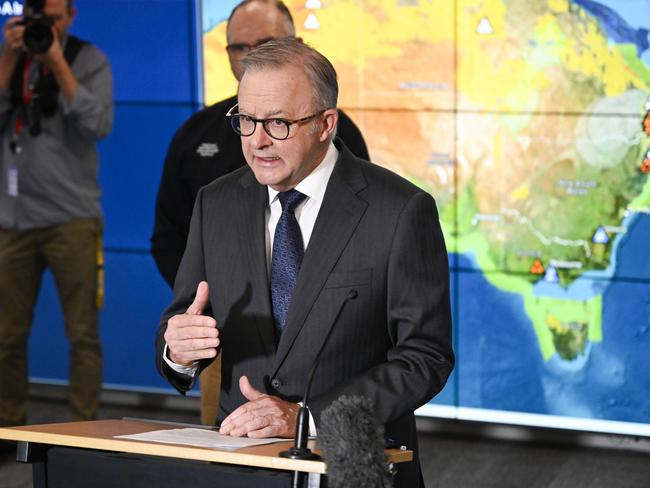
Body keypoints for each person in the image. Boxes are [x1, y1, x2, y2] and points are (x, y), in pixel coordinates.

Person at [156, 38, 453, 487]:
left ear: (325, 124)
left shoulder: (399, 210)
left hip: (355, 466)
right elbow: (181, 321)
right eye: (247, 121)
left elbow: (425, 357)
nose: (257, 140)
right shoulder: (215, 204)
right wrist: (177, 350)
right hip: (243, 464)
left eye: (277, 123)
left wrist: (305, 418)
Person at [151, 0, 369, 288]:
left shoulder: (338, 133)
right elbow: (170, 237)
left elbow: (362, 228)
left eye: (267, 43)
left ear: (298, 44)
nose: (254, 55)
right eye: (240, 47)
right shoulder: (194, 134)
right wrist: (208, 302)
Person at [0, 0, 113, 428]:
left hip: (72, 219)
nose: (46, 27)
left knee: (83, 336)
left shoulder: (89, 60)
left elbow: (97, 125)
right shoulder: (12, 56)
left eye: (54, 19)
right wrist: (10, 56)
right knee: (6, 338)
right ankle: (7, 428)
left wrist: (54, 60)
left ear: (70, 16)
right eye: (38, 21)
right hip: (12, 221)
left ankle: (82, 431)